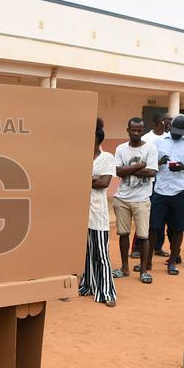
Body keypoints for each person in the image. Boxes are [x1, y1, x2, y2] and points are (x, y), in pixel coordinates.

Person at [143, 114, 184, 278]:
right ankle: (147, 261)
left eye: (180, 131)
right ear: (169, 127)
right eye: (174, 130)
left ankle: (172, 261)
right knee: (154, 227)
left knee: (178, 228)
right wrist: (160, 161)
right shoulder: (159, 142)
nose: (176, 134)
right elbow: (150, 163)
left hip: (182, 191)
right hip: (160, 190)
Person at [112, 117, 157, 283]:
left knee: (143, 236)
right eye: (133, 130)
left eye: (139, 130)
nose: (136, 133)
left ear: (142, 131)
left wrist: (127, 169)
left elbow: (151, 172)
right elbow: (117, 171)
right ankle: (124, 268)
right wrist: (139, 166)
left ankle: (143, 271)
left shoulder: (150, 148)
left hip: (142, 198)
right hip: (122, 198)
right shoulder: (121, 149)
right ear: (128, 130)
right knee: (123, 234)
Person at [79, 126, 117, 306]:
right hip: (79, 214)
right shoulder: (79, 157)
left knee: (101, 253)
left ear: (97, 139)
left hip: (97, 213)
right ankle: (87, 284)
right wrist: (92, 179)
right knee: (84, 253)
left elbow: (104, 183)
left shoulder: (107, 158)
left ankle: (107, 292)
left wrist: (87, 180)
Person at [136, 112, 173, 259]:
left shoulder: (169, 138)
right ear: (162, 122)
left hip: (164, 182)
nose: (171, 123)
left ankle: (158, 246)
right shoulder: (146, 139)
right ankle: (138, 247)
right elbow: (139, 163)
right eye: (169, 120)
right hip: (147, 182)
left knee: (161, 217)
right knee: (144, 215)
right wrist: (158, 163)